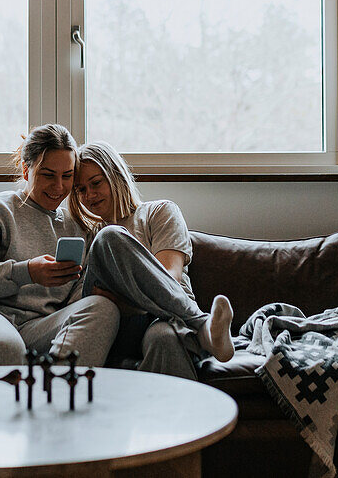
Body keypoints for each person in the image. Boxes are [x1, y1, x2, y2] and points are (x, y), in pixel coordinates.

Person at [0, 124, 120, 368]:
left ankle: (61, 392)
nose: (59, 187)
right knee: (4, 345)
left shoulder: (78, 227)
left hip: (37, 327)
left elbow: (78, 297)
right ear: (26, 170)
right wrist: (26, 272)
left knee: (103, 308)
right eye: (48, 175)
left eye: (68, 176)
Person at [71, 141, 234, 379]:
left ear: (116, 175)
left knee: (165, 339)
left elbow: (171, 276)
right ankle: (203, 326)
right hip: (114, 325)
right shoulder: (86, 235)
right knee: (109, 236)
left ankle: (181, 413)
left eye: (96, 183)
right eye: (80, 190)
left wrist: (123, 300)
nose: (89, 195)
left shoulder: (159, 212)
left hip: (166, 317)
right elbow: (88, 300)